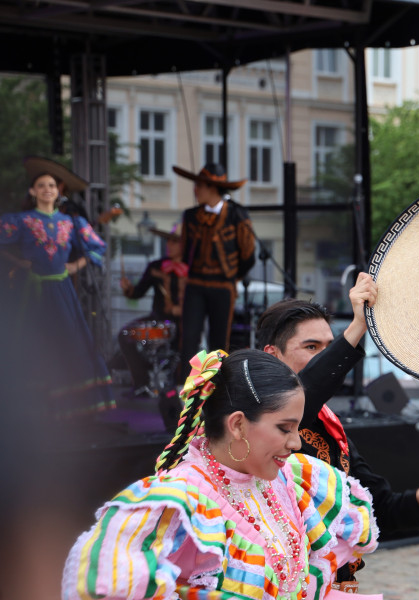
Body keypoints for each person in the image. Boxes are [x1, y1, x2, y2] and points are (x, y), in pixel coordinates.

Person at [62, 349, 398, 600]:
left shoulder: (291, 479)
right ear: (237, 424)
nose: (296, 442)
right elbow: (115, 570)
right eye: (284, 428)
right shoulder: (185, 495)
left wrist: (304, 590)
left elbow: (346, 538)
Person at [256, 283, 419, 588]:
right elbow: (306, 389)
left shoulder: (330, 425)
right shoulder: (260, 419)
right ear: (273, 356)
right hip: (281, 596)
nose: (324, 357)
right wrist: (358, 327)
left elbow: (376, 509)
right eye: (311, 347)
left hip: (336, 595)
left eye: (330, 347)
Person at [0, 169, 115, 417]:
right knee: (32, 341)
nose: (47, 189)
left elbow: (97, 246)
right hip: (31, 291)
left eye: (51, 185)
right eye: (41, 185)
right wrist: (18, 262)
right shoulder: (22, 220)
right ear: (32, 191)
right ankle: (30, 407)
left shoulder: (70, 222)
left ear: (58, 191)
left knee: (69, 341)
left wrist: (75, 265)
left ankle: (71, 405)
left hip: (62, 289)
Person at [175, 162, 256, 380]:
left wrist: (233, 277)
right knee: (189, 337)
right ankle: (186, 387)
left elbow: (249, 253)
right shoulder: (190, 216)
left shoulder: (237, 214)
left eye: (198, 186)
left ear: (212, 188)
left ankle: (217, 387)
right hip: (196, 285)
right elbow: (184, 251)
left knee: (219, 340)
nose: (195, 190)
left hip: (223, 286)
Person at [118, 223, 186, 392]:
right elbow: (138, 292)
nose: (169, 245)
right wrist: (128, 288)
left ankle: (179, 387)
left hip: (186, 324)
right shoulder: (156, 266)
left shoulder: (194, 269)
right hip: (158, 320)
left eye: (174, 242)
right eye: (168, 241)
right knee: (125, 335)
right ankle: (142, 382)